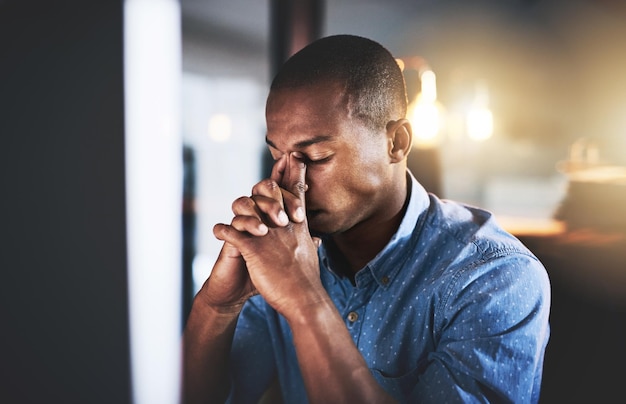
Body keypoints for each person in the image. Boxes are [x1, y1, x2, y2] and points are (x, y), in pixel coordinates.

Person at [182, 34, 550, 403]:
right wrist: (217, 305)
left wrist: (303, 297)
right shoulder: (280, 252)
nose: (287, 181)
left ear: (397, 143)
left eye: (316, 157)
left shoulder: (495, 275)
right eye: (277, 155)